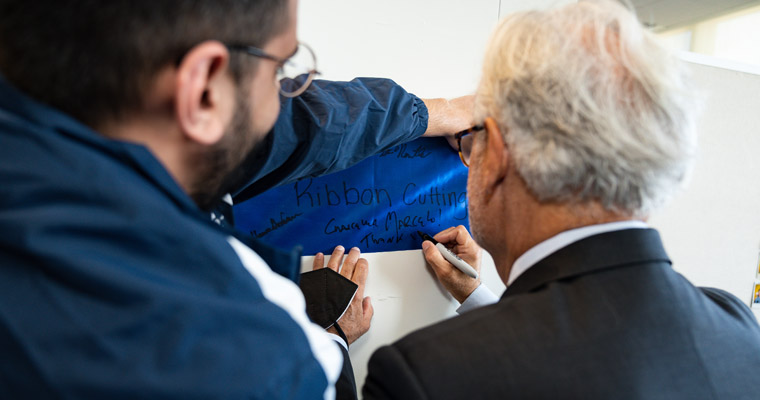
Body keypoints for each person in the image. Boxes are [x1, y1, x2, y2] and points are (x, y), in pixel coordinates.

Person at [0, 0, 472, 398]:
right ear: (204, 88)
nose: (284, 95)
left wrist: (434, 113)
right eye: (281, 71)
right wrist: (332, 344)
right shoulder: (250, 356)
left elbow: (296, 130)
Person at [363, 1, 760, 399]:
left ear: (499, 154)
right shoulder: (737, 328)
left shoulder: (425, 374)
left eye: (472, 140)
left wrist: (333, 342)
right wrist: (476, 297)